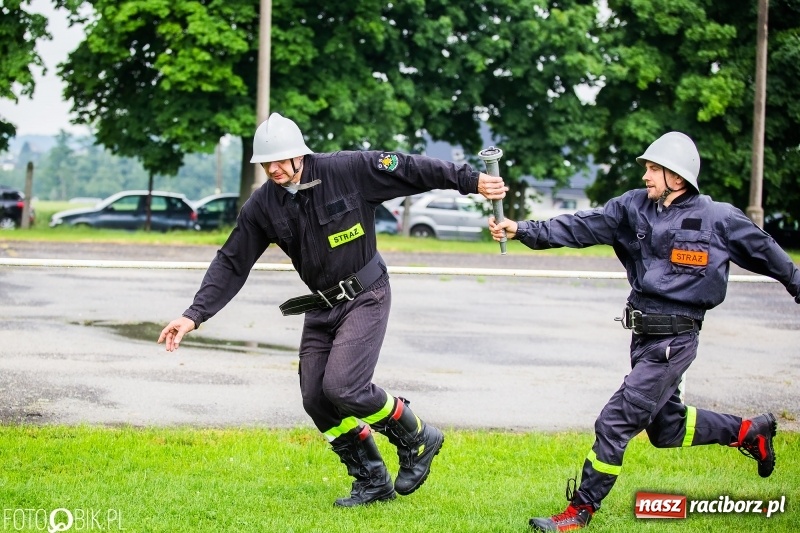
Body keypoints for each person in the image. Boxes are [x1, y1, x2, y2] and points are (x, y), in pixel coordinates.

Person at [158, 112, 506, 507]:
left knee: (344, 387)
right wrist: (193, 314)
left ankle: (419, 436)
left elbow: (410, 168)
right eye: (265, 163)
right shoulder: (262, 205)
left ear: (298, 155)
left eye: (279, 160)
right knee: (316, 399)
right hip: (320, 307)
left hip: (366, 293)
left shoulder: (348, 170)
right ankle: (372, 479)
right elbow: (232, 261)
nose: (272, 169)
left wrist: (469, 180)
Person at [489, 131, 800, 531]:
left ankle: (579, 511)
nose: (647, 176)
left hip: (677, 341)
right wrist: (521, 230)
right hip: (641, 336)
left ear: (679, 176)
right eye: (648, 168)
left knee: (614, 421)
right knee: (666, 428)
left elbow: (768, 253)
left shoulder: (718, 218)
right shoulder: (632, 207)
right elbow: (580, 226)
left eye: (655, 169)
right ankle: (748, 431)